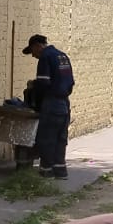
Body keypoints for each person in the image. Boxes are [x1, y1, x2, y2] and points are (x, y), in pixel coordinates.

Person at [21, 34, 74, 179]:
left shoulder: (45, 57)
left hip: (51, 104)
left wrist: (35, 101)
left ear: (37, 46)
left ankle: (47, 172)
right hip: (64, 103)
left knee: (47, 139)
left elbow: (43, 85)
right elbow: (70, 83)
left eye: (32, 52)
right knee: (60, 139)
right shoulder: (62, 56)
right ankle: (61, 171)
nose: (33, 56)